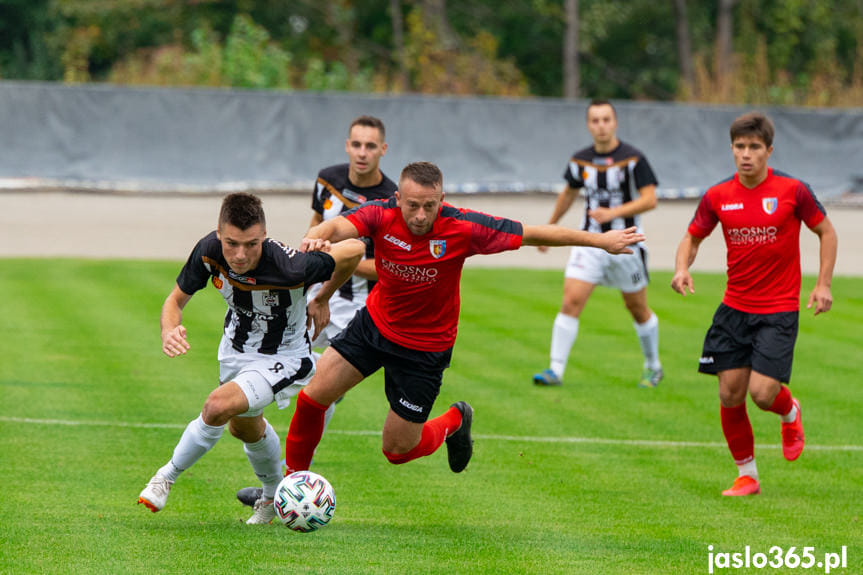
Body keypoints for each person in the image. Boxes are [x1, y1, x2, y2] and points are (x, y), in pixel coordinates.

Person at [279, 161, 645, 480]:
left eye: (429, 206)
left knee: (397, 450)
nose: (420, 215)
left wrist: (600, 242)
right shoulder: (380, 213)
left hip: (425, 349)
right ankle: (291, 485)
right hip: (375, 325)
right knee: (313, 398)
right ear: (398, 199)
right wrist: (313, 240)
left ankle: (455, 420)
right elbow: (334, 227)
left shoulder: (464, 226)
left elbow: (533, 233)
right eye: (412, 206)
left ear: (442, 200)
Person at [136, 192, 364, 523]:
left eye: (252, 244)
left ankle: (165, 477)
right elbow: (174, 301)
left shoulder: (291, 265)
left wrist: (322, 295)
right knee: (243, 428)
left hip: (284, 355)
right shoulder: (208, 251)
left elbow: (355, 250)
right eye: (232, 244)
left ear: (264, 237)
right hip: (235, 351)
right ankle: (272, 498)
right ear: (219, 234)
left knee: (217, 406)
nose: (240, 254)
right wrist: (169, 330)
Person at [671, 112, 837, 497]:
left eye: (754, 147)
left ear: (769, 151)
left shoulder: (793, 191)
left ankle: (789, 411)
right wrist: (682, 268)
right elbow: (692, 237)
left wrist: (823, 284)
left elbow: (826, 232)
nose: (746, 154)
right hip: (734, 309)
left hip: (778, 310)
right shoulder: (717, 196)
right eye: (740, 147)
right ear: (732, 150)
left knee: (762, 394)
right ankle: (748, 476)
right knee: (730, 393)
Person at [236, 115, 398, 509]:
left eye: (370, 146)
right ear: (347, 146)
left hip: (356, 306)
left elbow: (386, 268)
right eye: (356, 144)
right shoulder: (327, 179)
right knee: (270, 370)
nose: (362, 153)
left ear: (382, 150)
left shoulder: (392, 199)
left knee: (321, 392)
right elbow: (314, 229)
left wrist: (334, 263)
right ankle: (277, 478)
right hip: (311, 296)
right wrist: (306, 271)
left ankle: (289, 483)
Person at [532, 99, 664, 389]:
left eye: (606, 119)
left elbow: (650, 199)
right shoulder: (580, 160)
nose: (601, 125)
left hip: (627, 244)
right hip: (589, 242)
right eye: (595, 120)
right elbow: (568, 193)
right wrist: (550, 227)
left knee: (637, 307)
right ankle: (555, 369)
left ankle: (653, 366)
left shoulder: (633, 159)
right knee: (570, 302)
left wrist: (613, 214)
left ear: (615, 122)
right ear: (588, 125)